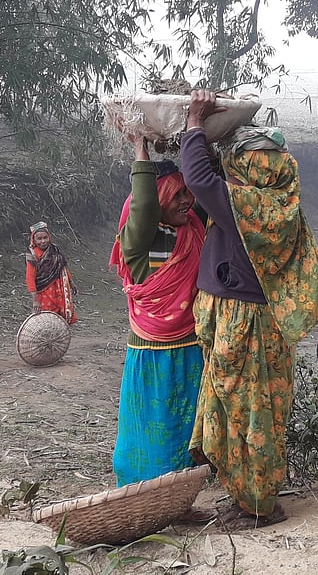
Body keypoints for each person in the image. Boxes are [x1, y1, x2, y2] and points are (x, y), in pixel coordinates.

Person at [180, 89, 318, 531]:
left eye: (240, 170)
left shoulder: (254, 208)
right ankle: (245, 497)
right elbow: (207, 173)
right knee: (238, 410)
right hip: (239, 318)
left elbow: (200, 179)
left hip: (246, 322)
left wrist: (193, 123)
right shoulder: (274, 201)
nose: (235, 177)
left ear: (256, 174)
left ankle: (260, 505)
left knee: (251, 413)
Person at [108, 135, 211, 504]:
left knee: (185, 430)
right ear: (160, 197)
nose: (188, 201)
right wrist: (140, 151)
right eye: (178, 194)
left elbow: (208, 181)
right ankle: (142, 497)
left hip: (191, 351)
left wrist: (201, 137)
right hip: (153, 354)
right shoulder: (141, 242)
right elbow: (143, 207)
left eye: (188, 193)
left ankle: (181, 499)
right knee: (149, 428)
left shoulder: (193, 232)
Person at [24, 222, 77, 324]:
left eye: (45, 237)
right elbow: (30, 277)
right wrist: (35, 300)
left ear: (49, 237)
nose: (43, 241)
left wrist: (71, 282)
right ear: (33, 240)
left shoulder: (55, 250)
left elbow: (63, 267)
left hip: (59, 289)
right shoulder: (32, 255)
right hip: (43, 293)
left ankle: (60, 336)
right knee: (46, 318)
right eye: (39, 239)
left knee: (61, 317)